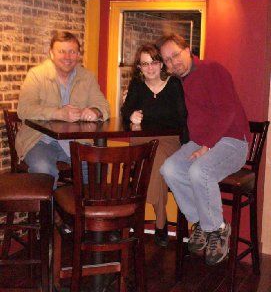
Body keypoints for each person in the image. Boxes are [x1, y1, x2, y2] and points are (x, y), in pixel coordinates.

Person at [157, 33, 249, 265]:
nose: (172, 62)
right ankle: (200, 220)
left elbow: (227, 111)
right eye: (167, 60)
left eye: (175, 55)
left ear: (188, 49)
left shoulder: (211, 69)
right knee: (169, 168)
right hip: (202, 142)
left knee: (199, 171)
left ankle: (217, 229)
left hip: (232, 142)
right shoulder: (182, 81)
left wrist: (206, 146)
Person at [15, 31, 110, 187]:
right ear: (52, 54)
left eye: (72, 52)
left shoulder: (87, 77)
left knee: (96, 166)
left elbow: (104, 105)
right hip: (39, 140)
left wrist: (95, 111)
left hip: (76, 140)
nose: (67, 57)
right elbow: (24, 109)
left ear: (78, 54)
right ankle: (48, 211)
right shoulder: (37, 75)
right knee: (43, 169)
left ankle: (82, 210)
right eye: (62, 51)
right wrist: (58, 113)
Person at [121, 43, 188, 247]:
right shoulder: (137, 86)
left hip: (169, 140)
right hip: (142, 138)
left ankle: (135, 217)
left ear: (161, 64)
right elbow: (126, 113)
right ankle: (161, 223)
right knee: (155, 158)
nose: (150, 68)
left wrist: (186, 147)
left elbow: (182, 118)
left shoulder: (174, 84)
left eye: (154, 62)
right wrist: (130, 114)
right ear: (139, 67)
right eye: (144, 64)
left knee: (155, 156)